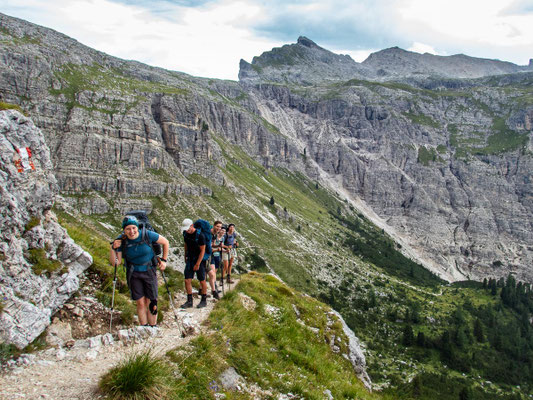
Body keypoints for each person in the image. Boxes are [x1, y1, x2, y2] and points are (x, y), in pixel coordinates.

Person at [110, 215, 169, 327]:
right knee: (140, 303)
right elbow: (116, 263)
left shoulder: (147, 234)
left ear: (137, 227)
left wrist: (164, 260)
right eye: (128, 229)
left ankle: (153, 326)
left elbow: (165, 242)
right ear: (124, 230)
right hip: (133, 273)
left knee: (152, 301)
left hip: (149, 270)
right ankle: (144, 327)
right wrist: (113, 248)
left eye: (133, 228)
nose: (131, 231)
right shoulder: (121, 240)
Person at [181, 218, 208, 308]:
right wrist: (185, 255)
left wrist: (198, 264)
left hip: (199, 260)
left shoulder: (200, 236)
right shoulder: (185, 233)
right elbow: (186, 244)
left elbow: (202, 250)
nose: (187, 231)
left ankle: (204, 300)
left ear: (192, 226)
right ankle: (189, 301)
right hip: (190, 258)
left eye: (188, 229)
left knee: (202, 280)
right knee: (187, 280)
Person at [207, 221, 223, 300]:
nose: (219, 228)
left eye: (220, 227)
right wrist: (217, 249)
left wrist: (217, 246)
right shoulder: (208, 234)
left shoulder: (214, 235)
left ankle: (214, 291)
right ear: (213, 226)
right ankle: (212, 291)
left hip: (211, 255)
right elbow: (208, 248)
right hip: (207, 255)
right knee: (210, 274)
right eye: (217, 226)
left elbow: (212, 245)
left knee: (212, 273)